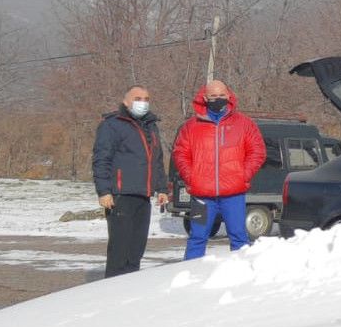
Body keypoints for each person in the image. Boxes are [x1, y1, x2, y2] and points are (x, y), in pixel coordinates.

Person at [171, 79, 265, 259]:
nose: (218, 98)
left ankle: (241, 275)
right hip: (202, 196)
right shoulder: (191, 126)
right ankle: (190, 278)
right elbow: (180, 154)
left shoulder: (244, 124)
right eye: (213, 96)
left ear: (229, 95)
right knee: (197, 238)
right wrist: (192, 178)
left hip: (233, 194)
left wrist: (243, 175)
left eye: (221, 95)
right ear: (205, 97)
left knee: (239, 238)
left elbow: (257, 151)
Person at [92, 86, 168, 277]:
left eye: (146, 98)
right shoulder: (112, 125)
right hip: (120, 195)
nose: (143, 102)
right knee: (120, 250)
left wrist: (162, 188)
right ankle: (112, 290)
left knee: (136, 250)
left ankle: (129, 290)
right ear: (126, 101)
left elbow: (156, 160)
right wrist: (104, 191)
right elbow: (102, 159)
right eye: (138, 98)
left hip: (143, 195)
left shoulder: (151, 126)